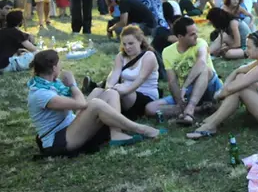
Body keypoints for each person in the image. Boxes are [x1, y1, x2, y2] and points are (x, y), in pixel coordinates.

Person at [28, 50, 163, 156]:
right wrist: (73, 84)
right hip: (58, 141)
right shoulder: (41, 94)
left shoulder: (53, 84)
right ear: (53, 67)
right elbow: (81, 104)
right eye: (59, 64)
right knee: (95, 104)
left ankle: (116, 134)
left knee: (103, 91)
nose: (61, 66)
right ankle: (141, 129)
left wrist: (71, 86)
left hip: (69, 126)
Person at [186, 31, 258, 139]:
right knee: (240, 80)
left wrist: (218, 96)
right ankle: (213, 119)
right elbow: (240, 70)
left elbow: (231, 88)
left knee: (240, 89)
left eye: (249, 47)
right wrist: (227, 85)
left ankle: (210, 126)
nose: (246, 50)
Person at [147, 17, 222, 126]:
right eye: (192, 34)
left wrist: (185, 86)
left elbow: (201, 62)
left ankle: (190, 110)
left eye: (196, 32)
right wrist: (180, 102)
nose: (196, 36)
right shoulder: (167, 52)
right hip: (188, 93)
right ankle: (200, 109)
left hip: (210, 86)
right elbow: (172, 81)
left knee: (205, 69)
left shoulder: (200, 43)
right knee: (150, 108)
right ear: (180, 37)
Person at [103, 26, 160, 120]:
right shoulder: (121, 57)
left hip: (145, 95)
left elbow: (140, 79)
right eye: (124, 44)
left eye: (131, 43)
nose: (127, 47)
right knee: (98, 91)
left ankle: (115, 121)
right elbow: (114, 74)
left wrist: (122, 91)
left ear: (140, 41)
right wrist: (109, 87)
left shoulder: (149, 56)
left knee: (118, 94)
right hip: (122, 91)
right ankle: (83, 115)